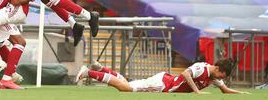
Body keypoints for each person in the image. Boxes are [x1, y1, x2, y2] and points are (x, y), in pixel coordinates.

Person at [76, 58, 249, 94]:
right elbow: (185, 74)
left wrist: (241, 94)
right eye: (223, 75)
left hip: (162, 80)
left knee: (127, 84)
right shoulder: (201, 68)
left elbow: (225, 90)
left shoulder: (213, 76)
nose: (222, 79)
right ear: (218, 68)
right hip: (163, 85)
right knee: (125, 88)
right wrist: (197, 91)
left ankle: (101, 68)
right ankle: (88, 73)